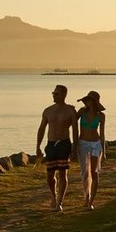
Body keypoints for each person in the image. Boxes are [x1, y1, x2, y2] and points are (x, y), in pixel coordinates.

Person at [36, 84, 79, 212]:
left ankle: (60, 202)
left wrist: (74, 148)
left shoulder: (70, 111)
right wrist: (37, 146)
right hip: (51, 144)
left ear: (63, 95)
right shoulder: (48, 111)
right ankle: (53, 196)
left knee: (62, 173)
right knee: (49, 175)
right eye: (53, 93)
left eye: (56, 94)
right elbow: (42, 128)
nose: (53, 95)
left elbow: (76, 131)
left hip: (64, 143)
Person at [76, 90, 106, 210]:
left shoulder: (101, 116)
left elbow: (103, 134)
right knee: (84, 172)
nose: (86, 102)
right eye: (86, 100)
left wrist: (104, 151)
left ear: (94, 102)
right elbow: (71, 121)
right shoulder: (81, 112)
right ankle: (86, 196)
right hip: (82, 143)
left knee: (94, 172)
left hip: (95, 143)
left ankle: (91, 202)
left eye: (89, 100)